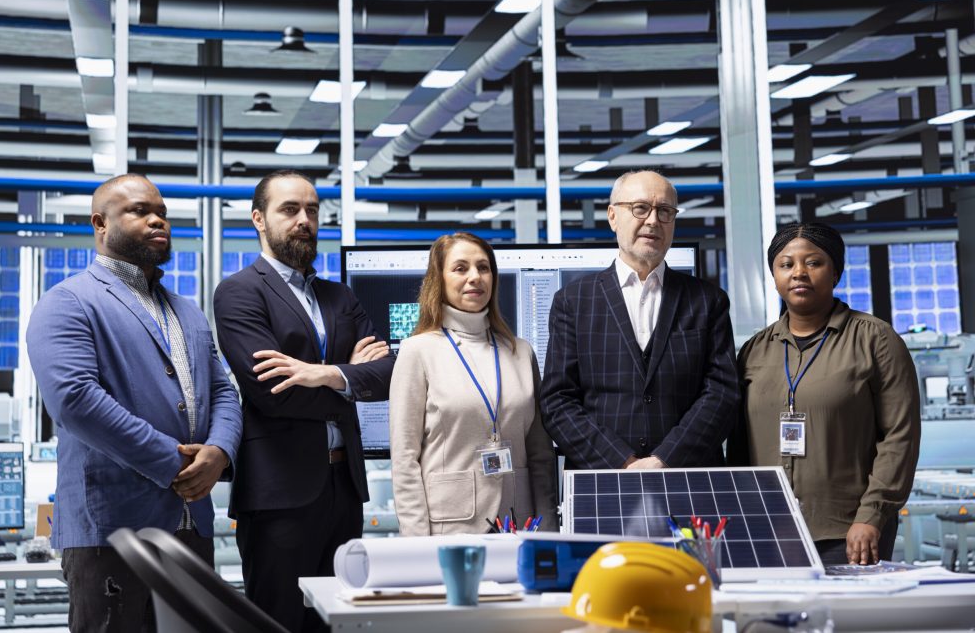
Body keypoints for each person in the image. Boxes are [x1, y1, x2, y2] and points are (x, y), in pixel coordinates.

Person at [27, 174, 242, 632]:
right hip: (111, 533)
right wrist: (174, 463)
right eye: (139, 211)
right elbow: (76, 401)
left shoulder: (187, 310)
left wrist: (219, 452)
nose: (156, 220)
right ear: (100, 224)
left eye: (161, 212)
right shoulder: (67, 303)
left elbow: (222, 390)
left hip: (190, 527)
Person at [213, 170, 394, 632]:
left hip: (343, 487)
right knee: (280, 621)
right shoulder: (238, 292)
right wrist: (349, 380)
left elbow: (389, 374)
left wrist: (322, 374)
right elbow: (274, 392)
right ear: (259, 219)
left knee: (339, 619)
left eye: (312, 210)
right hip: (280, 494)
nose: (304, 220)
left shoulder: (340, 296)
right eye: (290, 209)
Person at [728, 222, 920, 565]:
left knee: (849, 620)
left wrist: (871, 515)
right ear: (774, 276)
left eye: (813, 263)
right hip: (771, 528)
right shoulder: (755, 350)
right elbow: (740, 446)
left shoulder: (875, 340)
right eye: (786, 264)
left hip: (848, 530)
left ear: (836, 272)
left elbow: (899, 437)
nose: (799, 273)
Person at [540, 170, 739, 470]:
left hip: (688, 479)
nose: (653, 221)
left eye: (665, 211)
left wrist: (664, 459)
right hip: (601, 481)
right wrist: (623, 462)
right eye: (640, 208)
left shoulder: (708, 301)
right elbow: (558, 401)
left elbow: (722, 394)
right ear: (612, 217)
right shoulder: (573, 301)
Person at [389, 233, 558, 536]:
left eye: (483, 267)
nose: (474, 277)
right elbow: (404, 459)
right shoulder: (417, 351)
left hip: (517, 523)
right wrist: (416, 542)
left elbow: (541, 454)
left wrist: (548, 529)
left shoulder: (520, 352)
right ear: (438, 278)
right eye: (460, 268)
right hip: (451, 526)